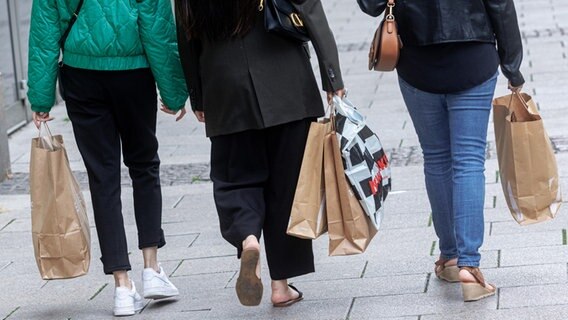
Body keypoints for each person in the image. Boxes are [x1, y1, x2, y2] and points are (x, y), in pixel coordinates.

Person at [172, 0, 345, 307]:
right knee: (286, 187)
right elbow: (310, 8)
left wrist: (198, 94)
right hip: (286, 83)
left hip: (225, 85)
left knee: (235, 178)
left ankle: (248, 238)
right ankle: (281, 286)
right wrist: (332, 77)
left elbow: (186, 33)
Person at [27, 0, 188, 316]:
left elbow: (45, 30)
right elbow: (156, 26)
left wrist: (41, 96)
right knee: (143, 166)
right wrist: (173, 90)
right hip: (134, 73)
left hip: (81, 75)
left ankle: (122, 286)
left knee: (103, 177)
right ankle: (151, 267)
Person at [357, 0, 524, 302]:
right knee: (470, 160)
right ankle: (469, 266)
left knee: (435, 158)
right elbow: (500, 5)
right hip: (473, 54)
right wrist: (512, 67)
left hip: (417, 60)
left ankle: (449, 257)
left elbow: (371, 5)